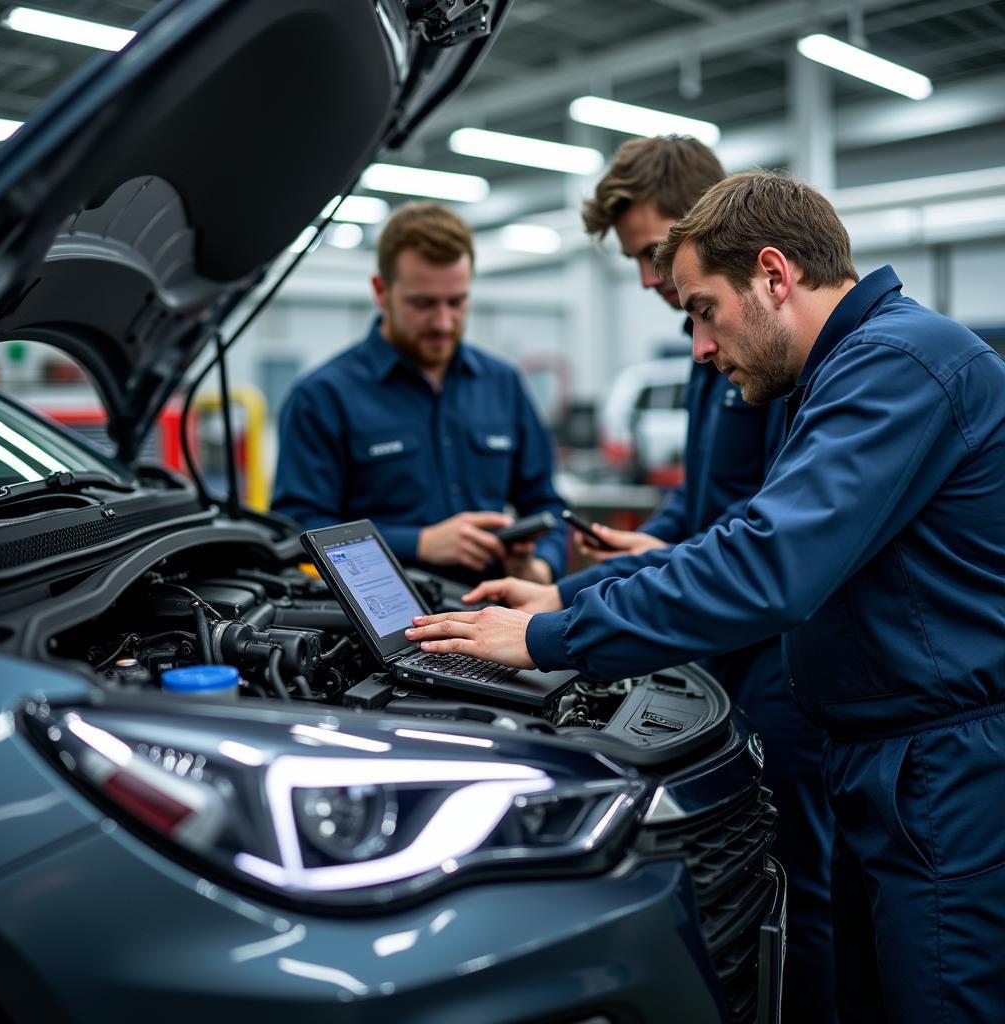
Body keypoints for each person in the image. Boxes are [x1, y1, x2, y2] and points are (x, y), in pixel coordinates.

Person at [407, 171, 1005, 1022]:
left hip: (944, 775)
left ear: (773, 275)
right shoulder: (847, 371)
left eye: (702, 309)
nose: (697, 345)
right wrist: (563, 601)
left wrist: (554, 637)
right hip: (886, 764)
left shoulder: (896, 366)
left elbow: (768, 565)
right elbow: (737, 537)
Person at [575, 136, 834, 1021]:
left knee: (803, 894)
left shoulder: (776, 357)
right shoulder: (709, 351)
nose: (650, 282)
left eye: (656, 255)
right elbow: (703, 505)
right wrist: (635, 550)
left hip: (783, 668)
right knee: (742, 883)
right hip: (722, 651)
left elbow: (770, 542)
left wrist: (573, 618)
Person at [271, 201, 566, 584]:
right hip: (379, 629)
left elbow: (547, 505)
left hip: (494, 616)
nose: (443, 322)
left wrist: (539, 567)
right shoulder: (322, 397)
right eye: (423, 304)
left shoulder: (503, 383)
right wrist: (420, 543)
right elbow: (299, 531)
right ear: (381, 291)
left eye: (456, 302)